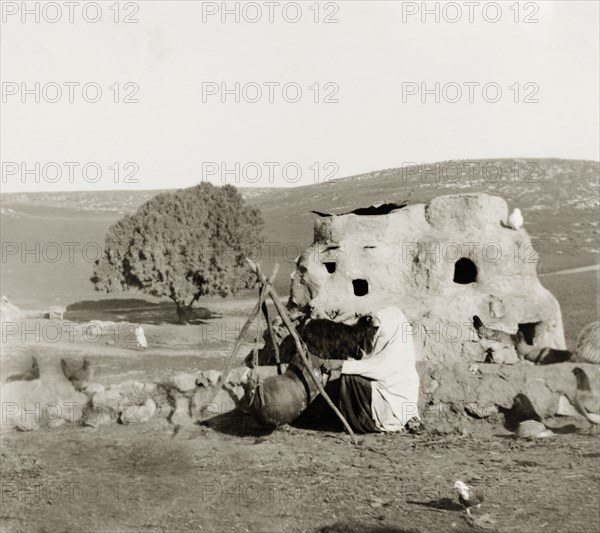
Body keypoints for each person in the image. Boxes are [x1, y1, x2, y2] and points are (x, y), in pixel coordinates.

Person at [322, 306, 420, 433]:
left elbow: (378, 369)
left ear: (390, 327)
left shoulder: (398, 351)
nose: (376, 332)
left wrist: (342, 365)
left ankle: (362, 424)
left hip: (392, 408)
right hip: (390, 399)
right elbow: (373, 365)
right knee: (352, 375)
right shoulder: (396, 345)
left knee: (349, 378)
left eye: (378, 328)